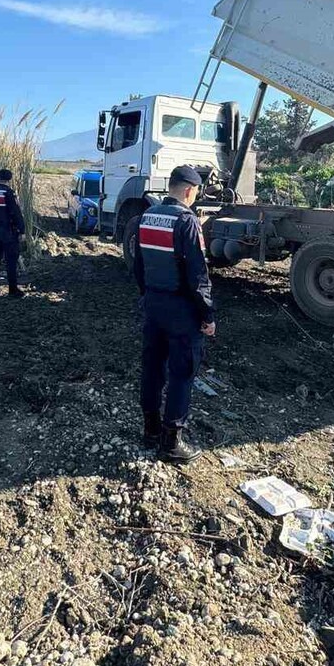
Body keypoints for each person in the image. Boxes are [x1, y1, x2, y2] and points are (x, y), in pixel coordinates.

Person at [132, 165, 215, 465]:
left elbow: (138, 265)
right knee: (182, 373)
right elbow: (197, 275)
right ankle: (171, 442)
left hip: (153, 304)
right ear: (190, 190)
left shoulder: (146, 216)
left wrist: (148, 295)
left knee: (152, 367)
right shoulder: (187, 221)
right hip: (181, 310)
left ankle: (150, 430)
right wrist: (207, 315)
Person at [0, 168, 26, 297]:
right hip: (9, 232)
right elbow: (16, 213)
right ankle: (13, 290)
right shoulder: (9, 193)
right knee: (11, 261)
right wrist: (21, 230)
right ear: (9, 179)